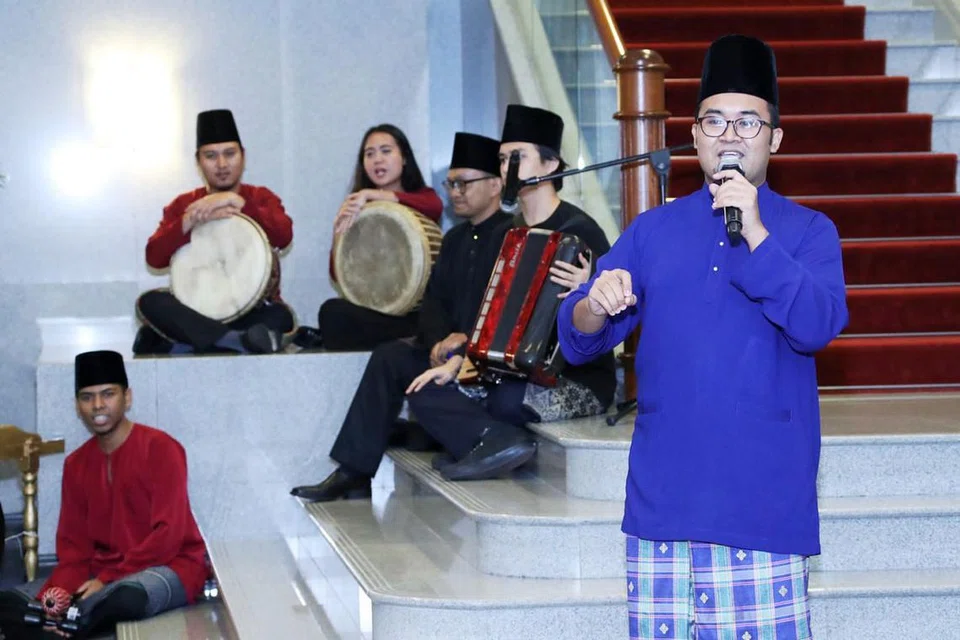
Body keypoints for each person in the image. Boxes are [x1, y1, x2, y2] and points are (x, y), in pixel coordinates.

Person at [556, 35, 849, 640]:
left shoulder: (808, 232)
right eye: (715, 120)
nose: (731, 134)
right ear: (694, 137)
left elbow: (817, 325)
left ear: (774, 139)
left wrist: (758, 233)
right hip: (666, 495)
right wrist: (594, 303)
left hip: (763, 500)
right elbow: (580, 337)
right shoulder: (654, 229)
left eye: (748, 121)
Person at [403, 104, 618, 483]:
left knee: (506, 397)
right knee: (427, 390)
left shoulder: (580, 230)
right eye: (502, 159)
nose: (507, 168)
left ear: (551, 166)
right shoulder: (509, 234)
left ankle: (479, 444)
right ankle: (493, 441)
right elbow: (491, 314)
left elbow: (610, 320)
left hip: (577, 379)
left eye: (516, 157)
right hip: (508, 373)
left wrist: (586, 288)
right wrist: (463, 360)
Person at [290, 132, 508, 502]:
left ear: (495, 185)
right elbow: (434, 300)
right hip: (446, 350)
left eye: (464, 183)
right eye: (451, 183)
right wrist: (439, 339)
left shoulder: (511, 235)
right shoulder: (455, 240)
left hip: (484, 354)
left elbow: (506, 308)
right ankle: (354, 472)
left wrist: (466, 339)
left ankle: (421, 433)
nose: (455, 192)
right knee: (390, 356)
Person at [0, 350, 209, 638]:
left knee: (126, 598)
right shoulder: (76, 465)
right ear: (78, 405)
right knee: (11, 604)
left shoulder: (162, 449)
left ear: (128, 397)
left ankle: (71, 624)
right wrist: (51, 600)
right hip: (98, 576)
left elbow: (168, 535)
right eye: (87, 397)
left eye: (108, 394)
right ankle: (68, 623)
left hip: (168, 567)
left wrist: (107, 580)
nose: (97, 405)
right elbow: (74, 552)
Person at [133, 109, 295, 356]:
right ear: (198, 161)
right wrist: (187, 222)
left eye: (230, 154)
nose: (221, 164)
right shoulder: (183, 204)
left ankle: (190, 342)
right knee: (150, 302)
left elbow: (284, 236)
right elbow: (153, 258)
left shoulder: (261, 197)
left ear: (243, 156)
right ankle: (236, 341)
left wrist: (240, 203)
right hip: (197, 311)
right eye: (211, 156)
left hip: (252, 311)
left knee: (280, 316)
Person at [314, 123, 444, 351]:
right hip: (377, 314)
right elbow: (338, 275)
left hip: (417, 313)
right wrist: (338, 234)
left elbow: (435, 207)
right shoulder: (359, 210)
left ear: (404, 158)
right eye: (369, 154)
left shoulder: (423, 197)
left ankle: (407, 340)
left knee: (434, 320)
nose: (377, 160)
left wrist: (374, 194)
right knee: (331, 312)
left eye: (386, 151)